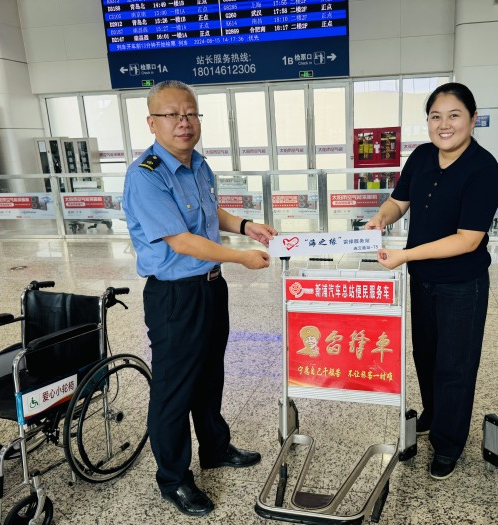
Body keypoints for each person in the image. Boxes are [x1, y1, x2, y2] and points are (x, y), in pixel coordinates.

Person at [122, 80, 278, 517]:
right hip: (175, 296)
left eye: (190, 113)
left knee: (210, 376)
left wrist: (247, 225)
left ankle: (215, 448)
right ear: (152, 123)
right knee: (175, 389)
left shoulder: (199, 165)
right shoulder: (146, 175)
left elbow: (211, 213)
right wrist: (240, 257)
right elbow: (182, 240)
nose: (183, 122)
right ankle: (173, 479)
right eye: (172, 115)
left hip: (211, 287)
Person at [365, 83, 498, 481]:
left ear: (472, 120)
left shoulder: (483, 169)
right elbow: (399, 200)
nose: (444, 125)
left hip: (462, 284)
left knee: (455, 365)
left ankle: (448, 443)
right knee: (426, 354)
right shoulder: (423, 156)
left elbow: (468, 239)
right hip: (422, 279)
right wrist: (381, 218)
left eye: (454, 115)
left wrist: (405, 254)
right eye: (435, 116)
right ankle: (434, 412)